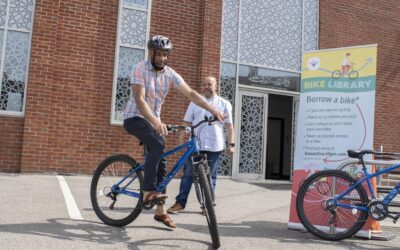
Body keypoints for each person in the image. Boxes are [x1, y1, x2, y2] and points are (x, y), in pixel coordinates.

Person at [123, 35, 224, 228]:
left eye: (165, 54)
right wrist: (155, 121)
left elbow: (192, 94)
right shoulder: (139, 69)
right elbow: (140, 100)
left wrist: (213, 110)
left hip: (154, 121)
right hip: (135, 118)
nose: (162, 58)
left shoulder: (170, 74)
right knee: (157, 144)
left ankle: (160, 212)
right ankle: (147, 191)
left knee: (162, 163)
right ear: (151, 53)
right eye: (159, 54)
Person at [167, 76, 234, 214]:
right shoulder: (195, 102)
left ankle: (207, 205)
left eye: (209, 84)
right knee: (187, 174)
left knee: (211, 176)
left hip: (215, 145)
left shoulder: (224, 103)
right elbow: (186, 122)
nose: (206, 87)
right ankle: (180, 203)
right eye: (204, 84)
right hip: (196, 145)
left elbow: (229, 126)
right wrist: (181, 139)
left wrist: (231, 144)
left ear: (216, 86)